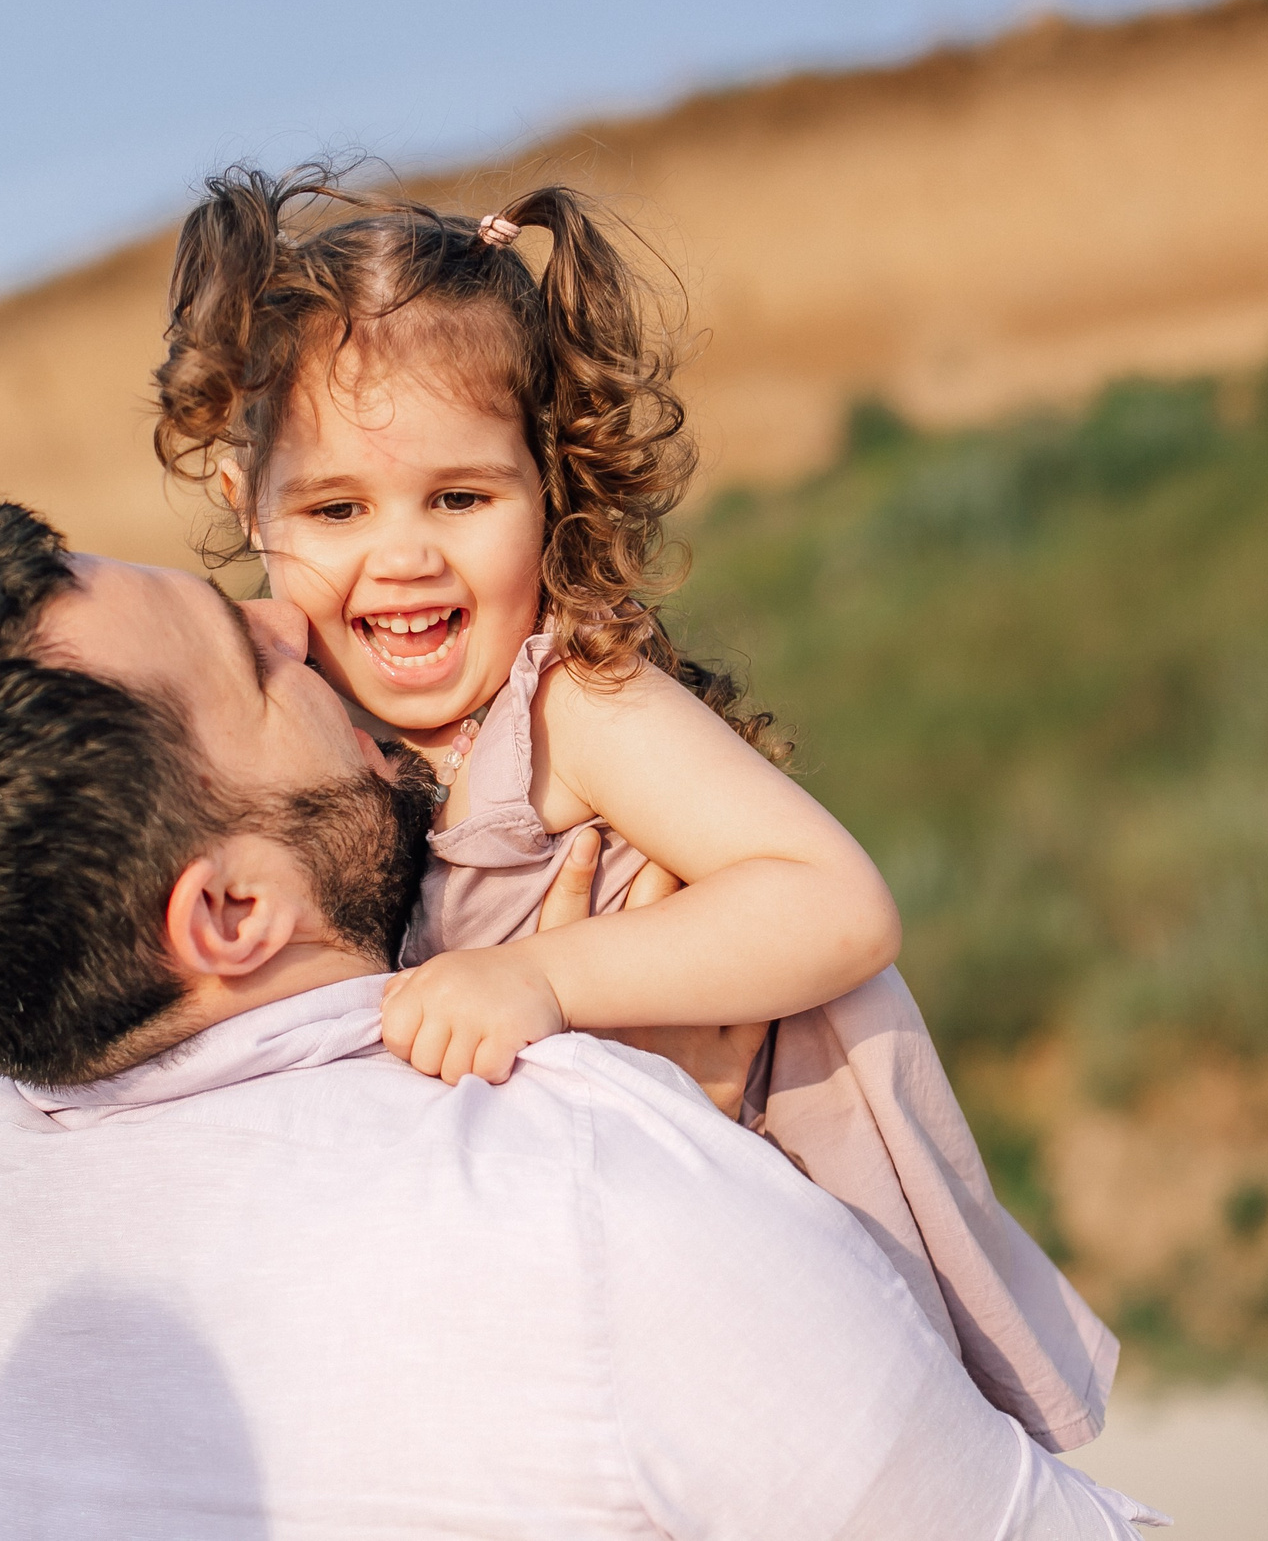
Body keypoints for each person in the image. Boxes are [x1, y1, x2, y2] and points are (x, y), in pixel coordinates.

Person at [0, 501, 1160, 1537]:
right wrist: (692, 1154)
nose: (291, 621)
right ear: (233, 911)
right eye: (253, 665)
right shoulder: (594, 1187)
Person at [147, 165, 1115, 1448]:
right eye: (336, 508)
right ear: (246, 507)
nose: (405, 554)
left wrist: (541, 979)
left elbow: (834, 904)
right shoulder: (293, 735)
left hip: (777, 1221)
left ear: (550, 482)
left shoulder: (571, 705)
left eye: (460, 497)